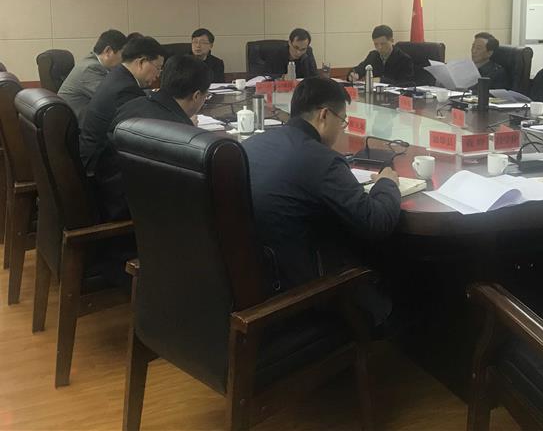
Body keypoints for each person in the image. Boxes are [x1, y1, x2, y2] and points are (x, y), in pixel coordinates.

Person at [243, 77, 402, 326]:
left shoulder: (251, 144)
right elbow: (376, 222)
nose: (342, 129)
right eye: (342, 121)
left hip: (255, 286)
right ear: (324, 115)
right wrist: (387, 183)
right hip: (302, 295)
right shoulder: (322, 160)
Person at [94, 55, 211, 221]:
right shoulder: (179, 133)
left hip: (108, 199)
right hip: (135, 218)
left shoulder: (135, 104)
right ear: (197, 96)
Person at [79, 36, 165, 176]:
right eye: (158, 68)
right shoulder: (126, 90)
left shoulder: (118, 75)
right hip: (99, 168)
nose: (158, 75)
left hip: (94, 156)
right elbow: (139, 133)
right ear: (141, 62)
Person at [58, 29, 128, 126]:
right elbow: (113, 99)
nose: (124, 61)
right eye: (123, 55)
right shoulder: (91, 68)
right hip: (77, 128)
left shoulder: (93, 63)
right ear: (108, 51)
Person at [348, 25, 414, 85]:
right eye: (376, 44)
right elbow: (360, 68)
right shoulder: (373, 55)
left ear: (392, 40)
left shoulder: (404, 59)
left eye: (383, 44)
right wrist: (354, 74)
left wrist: (381, 80)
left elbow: (406, 84)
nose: (379, 47)